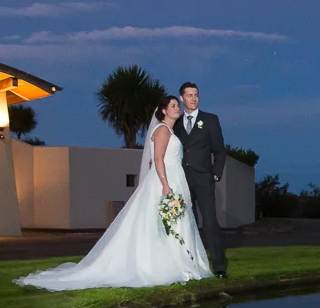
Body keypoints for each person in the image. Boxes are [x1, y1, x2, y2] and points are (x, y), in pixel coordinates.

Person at [14, 96, 212, 290]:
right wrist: (165, 185)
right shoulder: (162, 130)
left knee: (173, 222)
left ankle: (180, 261)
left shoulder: (169, 130)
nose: (177, 108)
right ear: (163, 110)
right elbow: (158, 159)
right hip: (166, 181)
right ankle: (164, 265)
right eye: (173, 105)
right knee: (161, 222)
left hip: (175, 177)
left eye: (178, 105)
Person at [173, 82, 229, 278]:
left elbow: (220, 151)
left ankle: (220, 267)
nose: (193, 98)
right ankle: (191, 265)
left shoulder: (210, 120)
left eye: (196, 95)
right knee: (187, 222)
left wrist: (215, 173)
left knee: (210, 222)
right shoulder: (176, 122)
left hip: (204, 179)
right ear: (182, 98)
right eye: (189, 95)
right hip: (183, 180)